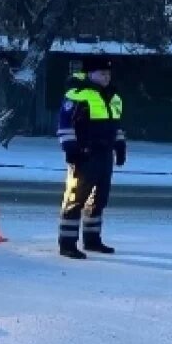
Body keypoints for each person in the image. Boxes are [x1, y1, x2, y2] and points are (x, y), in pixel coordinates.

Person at [56, 57, 126, 260]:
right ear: (90, 74)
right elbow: (64, 126)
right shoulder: (77, 95)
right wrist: (70, 150)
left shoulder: (113, 96)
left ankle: (92, 240)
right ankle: (67, 244)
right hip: (84, 154)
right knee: (75, 199)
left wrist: (120, 146)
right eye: (102, 73)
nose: (106, 77)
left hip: (104, 156)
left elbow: (116, 125)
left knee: (99, 200)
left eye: (108, 74)